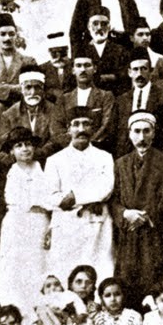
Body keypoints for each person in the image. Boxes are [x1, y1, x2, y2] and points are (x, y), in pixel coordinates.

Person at [45, 107, 116, 284]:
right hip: (67, 226)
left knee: (101, 271)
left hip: (97, 224)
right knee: (65, 271)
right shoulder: (55, 160)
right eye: (76, 124)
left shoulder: (104, 157)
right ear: (68, 129)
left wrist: (74, 197)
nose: (81, 129)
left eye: (86, 124)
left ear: (93, 128)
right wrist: (89, 198)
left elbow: (106, 188)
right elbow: (50, 197)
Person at [112, 111, 163, 308]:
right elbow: (114, 199)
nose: (142, 137)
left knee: (153, 280)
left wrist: (146, 216)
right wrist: (125, 214)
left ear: (154, 133)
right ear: (129, 134)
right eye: (137, 131)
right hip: (128, 234)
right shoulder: (120, 164)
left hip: (154, 234)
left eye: (146, 131)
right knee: (128, 282)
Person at [0, 127, 51, 309]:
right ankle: (15, 309)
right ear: (12, 151)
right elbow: (11, 201)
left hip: (40, 222)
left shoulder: (44, 168)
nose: (25, 149)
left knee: (38, 263)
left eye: (28, 144)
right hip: (16, 224)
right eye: (19, 146)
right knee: (16, 266)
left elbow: (50, 197)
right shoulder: (8, 173)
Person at [0, 64, 68, 166]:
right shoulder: (9, 114)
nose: (33, 92)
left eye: (37, 87)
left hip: (48, 165)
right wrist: (18, 159)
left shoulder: (54, 110)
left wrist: (38, 154)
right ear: (21, 89)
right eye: (28, 87)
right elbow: (1, 150)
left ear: (43, 88)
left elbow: (57, 140)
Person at [115, 48, 163, 157]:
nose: (139, 74)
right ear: (129, 72)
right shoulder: (122, 100)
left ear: (150, 71)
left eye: (143, 69)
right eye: (135, 69)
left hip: (155, 156)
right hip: (128, 157)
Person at [61, 54, 117, 153]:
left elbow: (107, 125)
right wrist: (74, 145)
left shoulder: (106, 96)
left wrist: (87, 144)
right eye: (78, 66)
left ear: (94, 69)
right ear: (73, 70)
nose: (83, 69)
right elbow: (57, 128)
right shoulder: (65, 98)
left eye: (87, 65)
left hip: (98, 149)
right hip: (69, 150)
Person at [75, 6, 131, 96]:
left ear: (109, 27)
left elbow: (126, 76)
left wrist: (114, 77)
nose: (99, 28)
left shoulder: (121, 50)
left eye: (104, 24)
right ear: (89, 27)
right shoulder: (81, 51)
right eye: (95, 24)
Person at [0, 13, 36, 105]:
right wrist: (16, 88)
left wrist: (1, 88)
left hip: (21, 111)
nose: (7, 38)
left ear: (16, 36)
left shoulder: (28, 61)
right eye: (3, 34)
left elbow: (32, 87)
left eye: (11, 34)